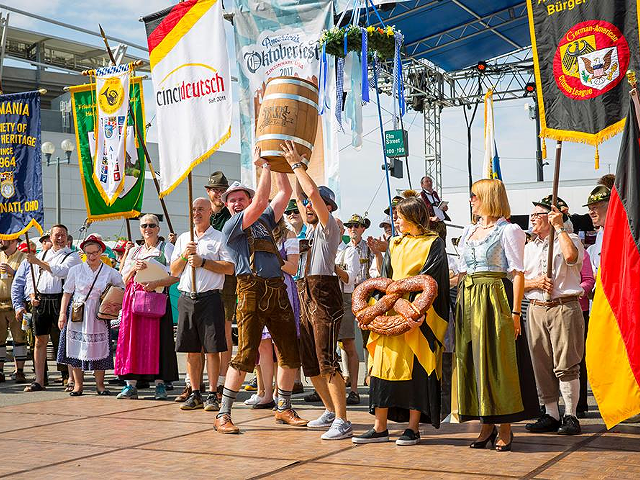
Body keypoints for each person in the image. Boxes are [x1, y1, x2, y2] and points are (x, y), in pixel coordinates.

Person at [216, 147, 307, 434]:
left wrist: (278, 163)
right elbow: (261, 202)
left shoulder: (266, 220)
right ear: (228, 206)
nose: (237, 203)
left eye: (241, 198)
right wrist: (264, 166)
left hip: (277, 290)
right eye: (233, 200)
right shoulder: (232, 226)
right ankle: (223, 414)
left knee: (290, 353)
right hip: (251, 290)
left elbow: (284, 193)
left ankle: (283, 407)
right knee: (244, 355)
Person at [352, 193, 449, 446]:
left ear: (414, 217)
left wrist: (413, 312)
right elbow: (385, 282)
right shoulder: (394, 243)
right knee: (382, 369)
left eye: (400, 216)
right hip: (391, 313)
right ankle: (379, 427)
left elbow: (432, 281)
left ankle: (413, 428)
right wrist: (373, 311)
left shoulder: (434, 243)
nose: (396, 220)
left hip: (419, 316)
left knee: (418, 370)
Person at [453, 180, 538, 451]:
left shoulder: (509, 230)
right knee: (474, 360)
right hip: (469, 297)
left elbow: (517, 273)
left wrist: (514, 312)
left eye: (474, 196)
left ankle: (505, 427)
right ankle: (485, 424)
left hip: (495, 297)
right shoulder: (469, 230)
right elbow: (463, 270)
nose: (471, 201)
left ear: (488, 198)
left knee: (499, 360)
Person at [282, 141, 351, 440]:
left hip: (323, 296)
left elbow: (310, 194)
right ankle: (329, 410)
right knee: (310, 363)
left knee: (327, 360)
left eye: (317, 204)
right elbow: (300, 196)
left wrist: (299, 165)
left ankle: (343, 419)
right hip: (304, 295)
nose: (308, 207)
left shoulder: (328, 227)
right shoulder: (307, 230)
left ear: (329, 207)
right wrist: (280, 167)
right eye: (309, 206)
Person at [524, 195, 585, 435]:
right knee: (541, 363)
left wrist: (559, 227)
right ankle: (551, 413)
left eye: (539, 214)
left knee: (567, 363)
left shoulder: (569, 239)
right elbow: (516, 278)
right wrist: (535, 282)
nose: (533, 218)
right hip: (537, 307)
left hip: (564, 306)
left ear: (553, 216)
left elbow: (571, 258)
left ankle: (570, 415)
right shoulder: (529, 247)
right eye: (534, 214)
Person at [171, 198, 234, 411]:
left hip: (210, 298)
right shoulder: (183, 238)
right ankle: (195, 392)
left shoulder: (219, 238)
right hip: (187, 298)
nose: (197, 213)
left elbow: (229, 268)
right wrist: (184, 254)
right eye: (194, 210)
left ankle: (213, 393)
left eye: (201, 210)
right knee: (191, 351)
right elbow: (173, 270)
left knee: (212, 349)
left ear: (209, 213)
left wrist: (203, 262)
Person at [115, 214, 180, 400]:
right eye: (144, 225)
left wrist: (154, 277)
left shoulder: (166, 248)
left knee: (158, 339)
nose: (148, 228)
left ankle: (160, 384)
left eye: (152, 225)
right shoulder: (134, 251)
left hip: (156, 296)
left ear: (158, 229)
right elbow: (123, 278)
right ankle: (131, 384)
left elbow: (175, 274)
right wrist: (135, 268)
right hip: (133, 298)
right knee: (132, 340)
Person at [57, 235, 124, 395]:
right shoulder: (76, 270)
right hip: (78, 312)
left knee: (99, 349)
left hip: (99, 314)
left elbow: (121, 287)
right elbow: (67, 293)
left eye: (95, 253)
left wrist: (111, 303)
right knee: (76, 348)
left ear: (101, 251)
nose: (92, 256)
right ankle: (78, 385)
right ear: (84, 253)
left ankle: (100, 385)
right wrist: (62, 314)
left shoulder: (109, 271)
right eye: (88, 253)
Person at [251, 217, 302, 408]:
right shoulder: (254, 236)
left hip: (282, 291)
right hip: (261, 291)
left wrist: (271, 257)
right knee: (263, 345)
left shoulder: (288, 235)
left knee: (281, 346)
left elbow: (293, 267)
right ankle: (266, 394)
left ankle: (281, 393)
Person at [24, 224, 81, 392]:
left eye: (63, 235)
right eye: (57, 235)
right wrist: (32, 295)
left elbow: (61, 272)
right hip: (41, 300)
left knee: (66, 339)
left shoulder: (72, 256)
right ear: (50, 237)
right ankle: (39, 380)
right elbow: (31, 278)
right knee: (39, 340)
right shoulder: (42, 254)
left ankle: (71, 379)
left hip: (61, 299)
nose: (60, 238)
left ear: (67, 237)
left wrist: (38, 262)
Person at [338, 213, 377, 405]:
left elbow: (375, 271)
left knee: (367, 336)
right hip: (347, 295)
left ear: (363, 228)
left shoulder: (369, 248)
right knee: (345, 339)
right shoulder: (343, 249)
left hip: (365, 294)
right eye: (350, 225)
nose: (352, 228)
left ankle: (369, 372)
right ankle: (346, 374)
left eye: (356, 225)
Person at [205, 171, 237, 399]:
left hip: (227, 276)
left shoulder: (231, 214)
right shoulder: (203, 214)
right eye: (215, 189)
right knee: (204, 330)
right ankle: (199, 382)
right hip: (205, 275)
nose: (219, 193)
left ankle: (224, 381)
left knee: (225, 328)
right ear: (208, 192)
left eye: (222, 190)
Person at [0, 238, 28, 383]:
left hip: (16, 305)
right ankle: (0, 371)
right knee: (0, 340)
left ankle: (20, 371)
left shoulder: (23, 257)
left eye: (4, 238)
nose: (1, 240)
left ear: (13, 240)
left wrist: (14, 271)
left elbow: (28, 279)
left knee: (19, 339)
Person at [577, 249, 595, 418]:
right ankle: (550, 408)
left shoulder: (581, 252)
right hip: (546, 307)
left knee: (578, 359)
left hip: (578, 309)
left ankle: (579, 405)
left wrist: (574, 291)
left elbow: (588, 281)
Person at [584, 185, 610, 274]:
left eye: (594, 207)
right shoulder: (601, 234)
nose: (591, 212)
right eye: (589, 209)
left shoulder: (622, 231)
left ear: (609, 207)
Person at [420, 175, 449, 241]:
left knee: (442, 244)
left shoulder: (435, 194)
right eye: (427, 181)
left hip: (441, 223)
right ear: (422, 184)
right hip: (431, 225)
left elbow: (437, 206)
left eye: (430, 181)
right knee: (434, 245)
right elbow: (420, 214)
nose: (429, 183)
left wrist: (444, 208)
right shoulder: (421, 197)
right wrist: (431, 218)